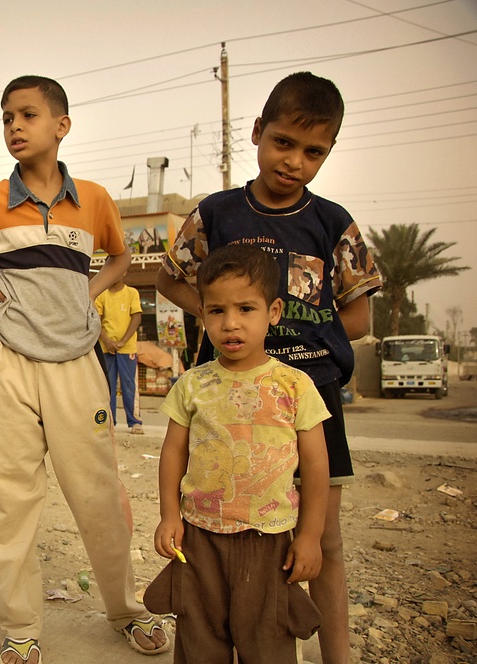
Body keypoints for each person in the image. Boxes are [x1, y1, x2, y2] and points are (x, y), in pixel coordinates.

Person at [0, 75, 167, 664]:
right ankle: (20, 628)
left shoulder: (93, 199)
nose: (15, 125)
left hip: (75, 363)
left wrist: (88, 293)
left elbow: (121, 257)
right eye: (7, 116)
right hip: (7, 362)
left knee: (98, 495)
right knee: (7, 500)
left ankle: (125, 610)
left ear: (61, 126)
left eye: (28, 115)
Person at [156, 71, 382, 663]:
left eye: (315, 152)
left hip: (312, 398)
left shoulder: (334, 223)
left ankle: (337, 657)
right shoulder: (215, 214)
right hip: (226, 399)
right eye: (284, 142)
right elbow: (168, 279)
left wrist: (287, 341)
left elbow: (357, 319)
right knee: (225, 531)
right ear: (258, 132)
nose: (295, 162)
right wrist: (223, 319)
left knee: (321, 540)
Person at [147, 244, 331, 663]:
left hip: (268, 542)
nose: (231, 324)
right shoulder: (192, 385)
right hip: (200, 537)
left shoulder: (295, 385)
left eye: (246, 308)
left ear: (274, 311)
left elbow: (318, 467)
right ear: (203, 313)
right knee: (199, 635)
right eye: (216, 311)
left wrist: (310, 537)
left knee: (267, 638)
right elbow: (173, 452)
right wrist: (169, 515)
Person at [95, 273, 144, 434]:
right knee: (107, 386)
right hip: (106, 348)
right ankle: (109, 421)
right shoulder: (102, 295)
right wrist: (107, 341)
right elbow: (97, 320)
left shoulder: (131, 293)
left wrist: (122, 341)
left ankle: (135, 421)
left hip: (127, 348)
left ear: (123, 272)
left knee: (129, 385)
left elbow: (136, 318)